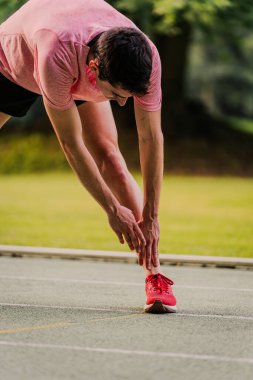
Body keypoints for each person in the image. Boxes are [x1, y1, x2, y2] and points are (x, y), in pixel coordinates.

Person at [0, 0, 177, 313]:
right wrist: (111, 208)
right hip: (14, 63)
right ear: (94, 68)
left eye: (128, 97)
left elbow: (151, 137)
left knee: (111, 156)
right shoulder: (58, 52)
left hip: (76, 61)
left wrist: (151, 215)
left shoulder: (146, 58)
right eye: (116, 96)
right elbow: (71, 143)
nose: (122, 105)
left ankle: (155, 276)